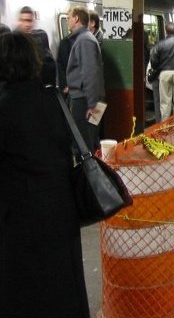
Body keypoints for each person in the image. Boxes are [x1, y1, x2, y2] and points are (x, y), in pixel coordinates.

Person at [0, 32, 90, 318]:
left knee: (26, 286)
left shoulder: (4, 104)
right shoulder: (53, 99)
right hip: (61, 204)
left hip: (20, 212)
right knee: (64, 280)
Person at [66, 6, 105, 153]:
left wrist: (92, 104)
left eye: (69, 17)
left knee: (84, 144)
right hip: (88, 98)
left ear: (76, 19)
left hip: (85, 101)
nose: (68, 21)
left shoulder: (84, 41)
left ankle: (89, 174)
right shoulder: (86, 39)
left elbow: (90, 73)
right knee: (89, 141)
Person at [150, 22, 174, 121]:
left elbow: (153, 60)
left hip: (164, 74)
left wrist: (157, 68)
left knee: (165, 101)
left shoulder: (160, 44)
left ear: (166, 31)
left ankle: (165, 127)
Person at [14, 6, 57, 86]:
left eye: (29, 21)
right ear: (18, 21)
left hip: (37, 86)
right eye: (23, 20)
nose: (27, 24)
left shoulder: (40, 39)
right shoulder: (12, 41)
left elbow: (49, 66)